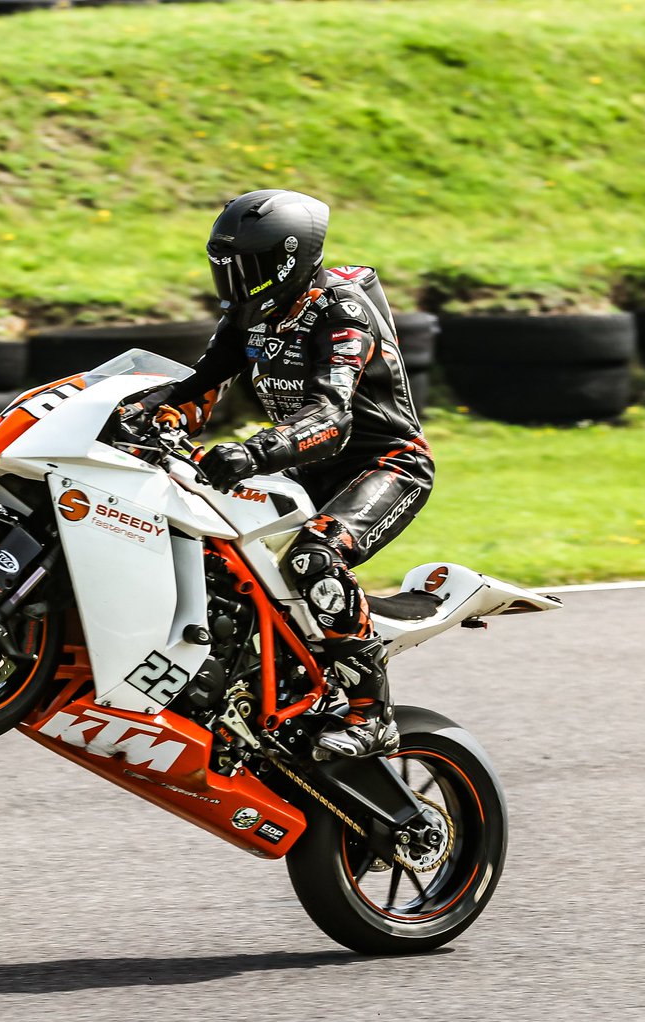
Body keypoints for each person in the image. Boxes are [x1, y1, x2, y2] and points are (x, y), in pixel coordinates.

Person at [120, 189, 434, 758]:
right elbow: (201, 384)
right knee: (212, 543)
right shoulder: (250, 313)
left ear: (288, 260)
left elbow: (333, 419)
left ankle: (371, 711)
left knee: (315, 557)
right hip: (304, 468)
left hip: (383, 466)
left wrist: (251, 452)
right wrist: (144, 417)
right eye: (227, 268)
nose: (235, 281)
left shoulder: (341, 312)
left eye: (248, 268)